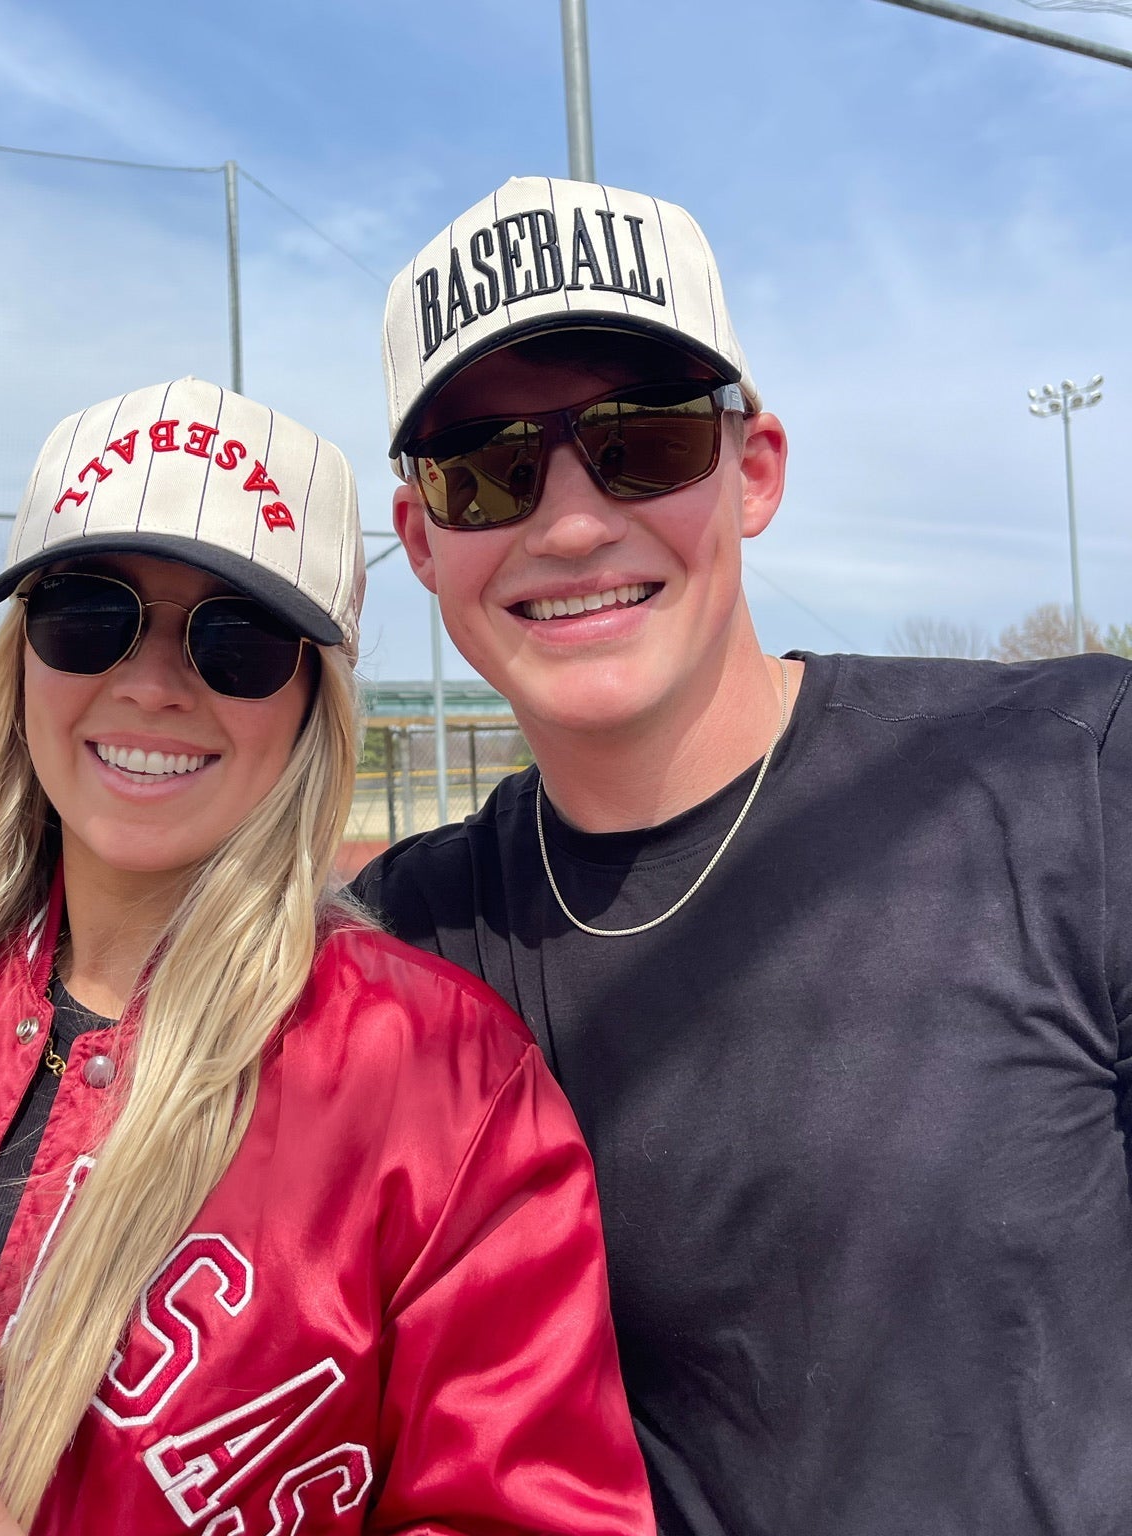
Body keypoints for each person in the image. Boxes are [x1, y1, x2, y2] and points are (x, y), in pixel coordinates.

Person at [0, 377, 657, 1536]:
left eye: (236, 639)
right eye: (87, 613)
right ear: (21, 659)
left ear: (311, 704)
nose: (151, 685)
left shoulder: (443, 1086)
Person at [353, 176, 1132, 1536]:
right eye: (484, 468)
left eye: (642, 441)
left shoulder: (1075, 773)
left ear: (754, 469)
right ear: (422, 540)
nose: (571, 524)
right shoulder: (395, 946)